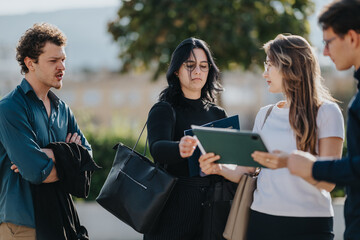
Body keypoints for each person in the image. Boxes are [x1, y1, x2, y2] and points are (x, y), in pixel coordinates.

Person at [200, 34, 344, 240]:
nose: (264, 73)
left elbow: (329, 182)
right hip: (262, 220)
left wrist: (287, 163)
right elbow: (248, 170)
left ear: (289, 66)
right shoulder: (265, 114)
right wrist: (218, 168)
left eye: (269, 65)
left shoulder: (327, 112)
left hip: (310, 224)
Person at [271, 1, 360, 239]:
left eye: (329, 42)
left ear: (352, 37)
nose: (325, 52)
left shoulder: (331, 110)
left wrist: (311, 167)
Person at [0, 23, 91, 240]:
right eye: (53, 61)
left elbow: (87, 160)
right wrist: (70, 156)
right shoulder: (10, 108)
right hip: (22, 226)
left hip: (60, 222)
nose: (62, 67)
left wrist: (50, 155)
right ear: (30, 63)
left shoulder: (63, 109)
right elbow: (34, 171)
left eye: (63, 60)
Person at [144, 37, 236, 240]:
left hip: (212, 210)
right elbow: (157, 148)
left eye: (204, 66)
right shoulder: (164, 108)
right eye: (190, 65)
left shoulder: (218, 113)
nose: (197, 71)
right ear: (176, 70)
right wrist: (179, 148)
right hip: (173, 209)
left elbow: (229, 158)